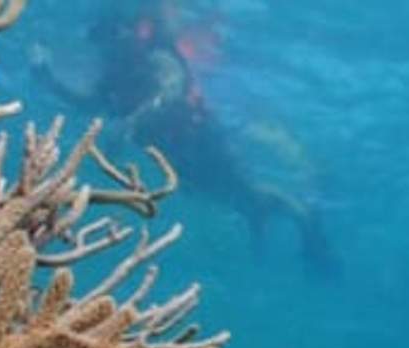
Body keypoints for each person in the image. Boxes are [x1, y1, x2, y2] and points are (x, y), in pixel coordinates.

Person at [33, 3, 337, 279]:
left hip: (203, 143)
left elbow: (173, 90)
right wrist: (47, 76)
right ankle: (293, 221)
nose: (108, 48)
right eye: (103, 42)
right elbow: (90, 102)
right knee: (237, 198)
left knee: (243, 192)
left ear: (127, 34)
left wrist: (131, 123)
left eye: (111, 39)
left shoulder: (157, 59)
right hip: (176, 158)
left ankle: (306, 224)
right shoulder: (115, 76)